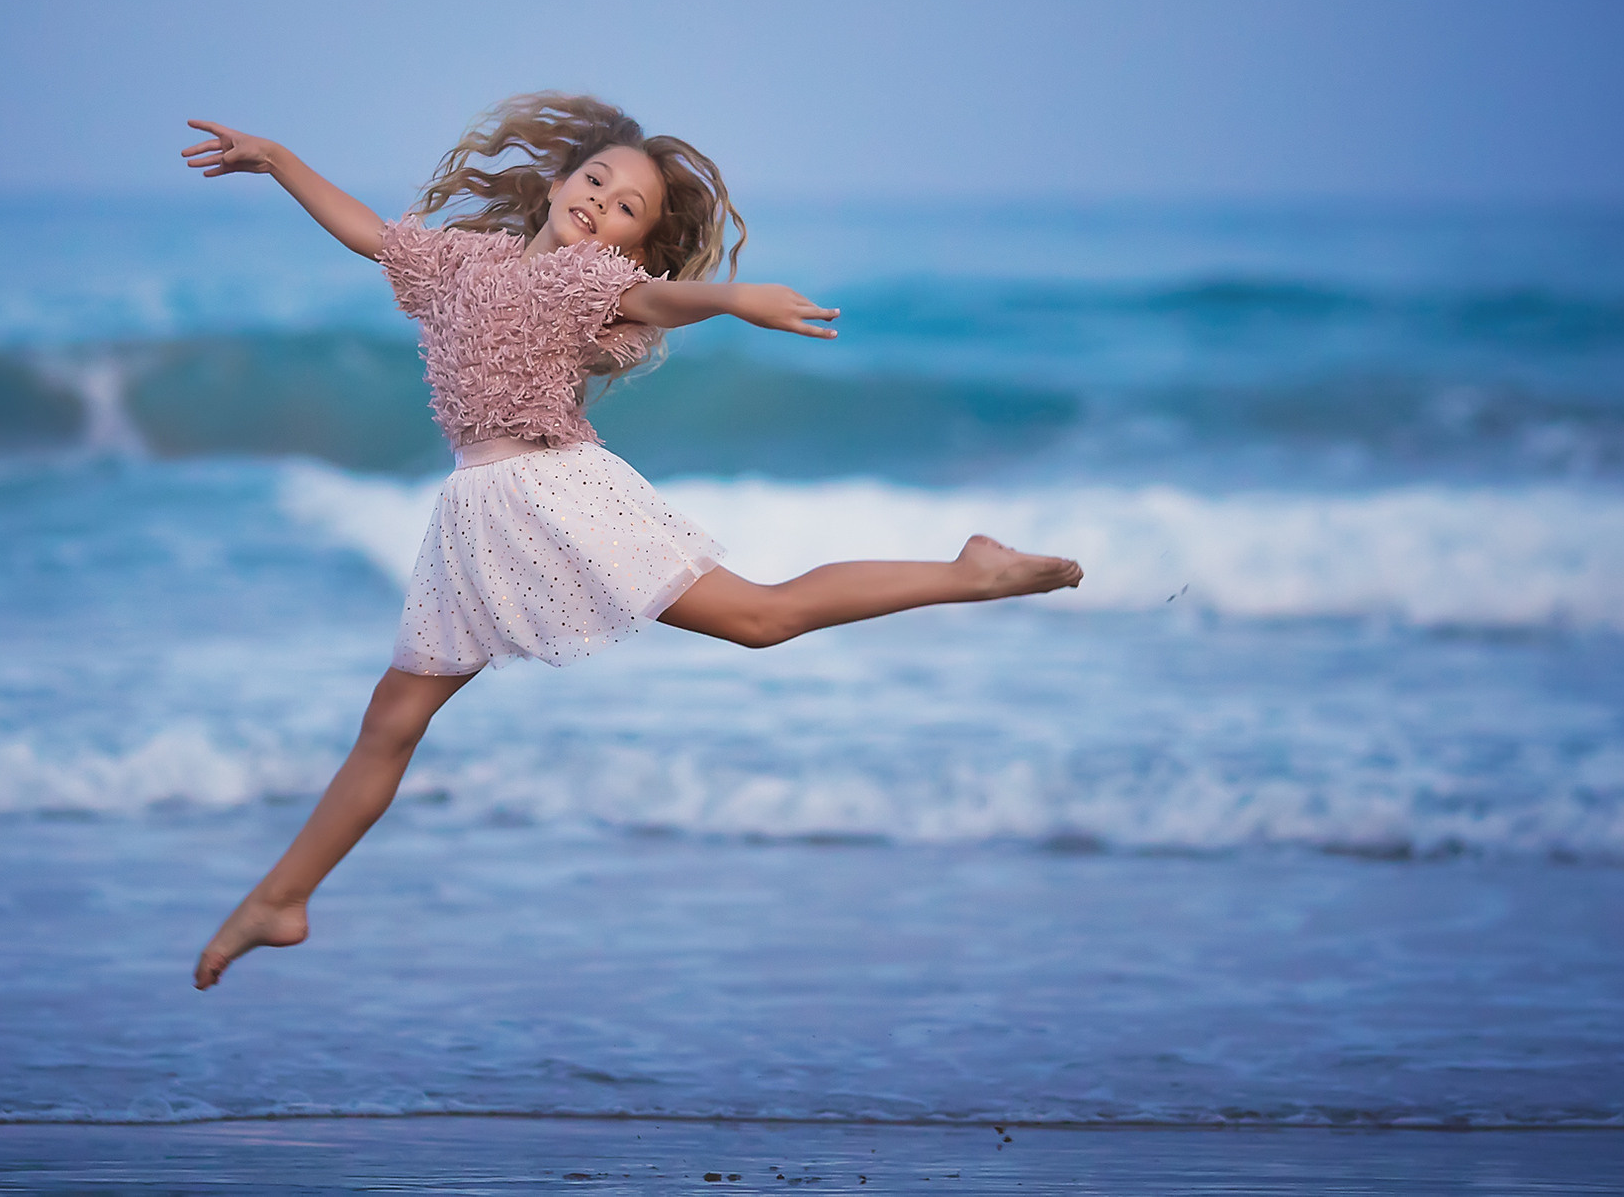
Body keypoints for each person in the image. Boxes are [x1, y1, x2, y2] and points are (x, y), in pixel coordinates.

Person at [180, 93, 1084, 990]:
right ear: (554, 181)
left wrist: (732, 298)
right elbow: (372, 234)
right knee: (394, 718)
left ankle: (968, 573)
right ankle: (282, 898)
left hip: (556, 492)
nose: (601, 204)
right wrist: (280, 160)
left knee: (759, 618)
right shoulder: (459, 262)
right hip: (478, 514)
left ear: (627, 241)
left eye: (626, 209)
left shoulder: (588, 280)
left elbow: (658, 295)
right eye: (596, 180)